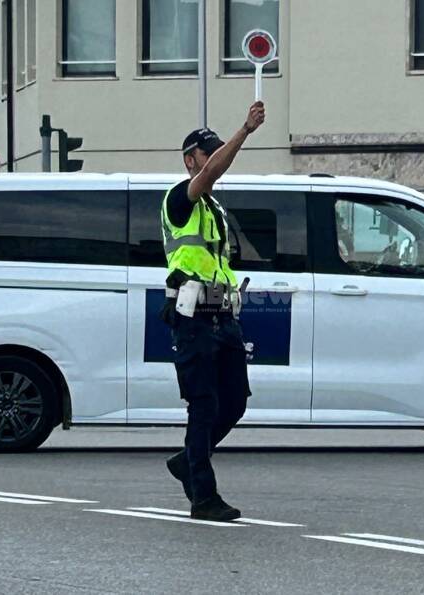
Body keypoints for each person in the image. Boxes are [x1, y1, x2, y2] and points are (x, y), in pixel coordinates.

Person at [161, 101, 266, 522]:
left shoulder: (214, 209)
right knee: (203, 405)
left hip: (223, 318)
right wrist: (244, 130)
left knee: (235, 402)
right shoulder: (179, 198)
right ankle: (203, 496)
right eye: (210, 152)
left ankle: (188, 460)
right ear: (191, 160)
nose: (218, 158)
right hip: (193, 319)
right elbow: (209, 176)